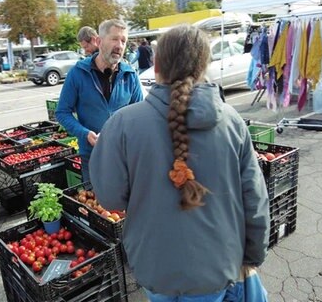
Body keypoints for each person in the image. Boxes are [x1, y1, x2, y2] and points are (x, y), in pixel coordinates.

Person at [89, 25, 270, 301]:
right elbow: (255, 201)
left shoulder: (122, 125)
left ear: (157, 64)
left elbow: (111, 198)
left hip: (155, 267)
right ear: (204, 65)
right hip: (217, 267)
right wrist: (253, 256)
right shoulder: (232, 122)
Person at [56, 19, 144, 181]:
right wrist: (85, 133)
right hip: (92, 156)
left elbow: (140, 117)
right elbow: (62, 112)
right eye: (114, 39)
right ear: (99, 41)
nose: (119, 45)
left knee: (124, 203)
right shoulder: (78, 73)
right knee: (95, 202)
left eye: (123, 41)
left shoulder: (130, 75)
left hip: (123, 156)